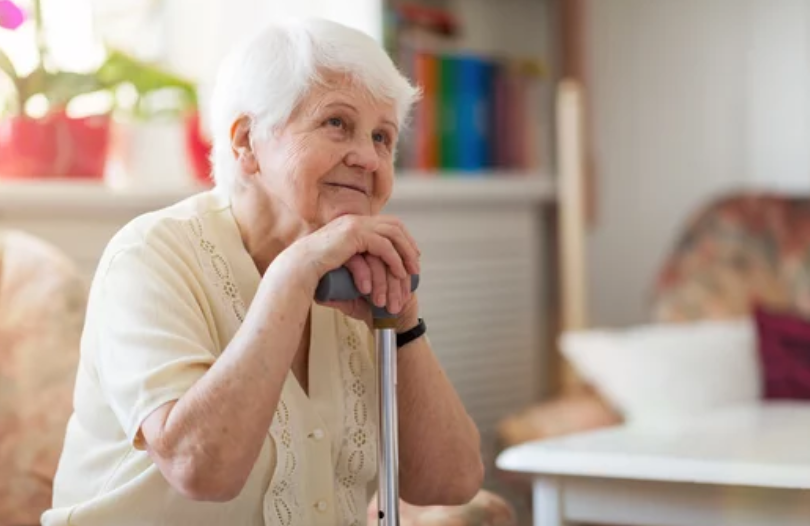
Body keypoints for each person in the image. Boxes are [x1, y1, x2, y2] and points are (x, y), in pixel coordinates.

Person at [41, 16, 484, 526]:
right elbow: (200, 468)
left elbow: (452, 482)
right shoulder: (148, 257)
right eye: (337, 123)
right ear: (246, 143)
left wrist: (404, 323)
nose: (367, 156)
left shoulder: (356, 276)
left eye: (383, 137)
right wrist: (292, 277)